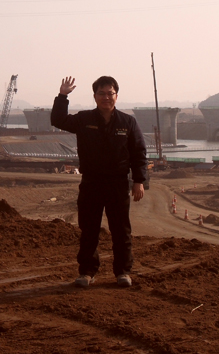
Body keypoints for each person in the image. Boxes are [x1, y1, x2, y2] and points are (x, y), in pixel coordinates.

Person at [51, 75, 148, 288]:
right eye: (101, 93)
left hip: (118, 184)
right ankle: (87, 272)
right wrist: (62, 96)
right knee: (89, 230)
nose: (106, 97)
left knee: (121, 231)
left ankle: (123, 272)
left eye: (110, 93)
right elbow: (58, 120)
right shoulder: (84, 119)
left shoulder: (127, 122)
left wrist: (139, 181)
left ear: (116, 96)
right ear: (95, 96)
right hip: (91, 183)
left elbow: (139, 153)